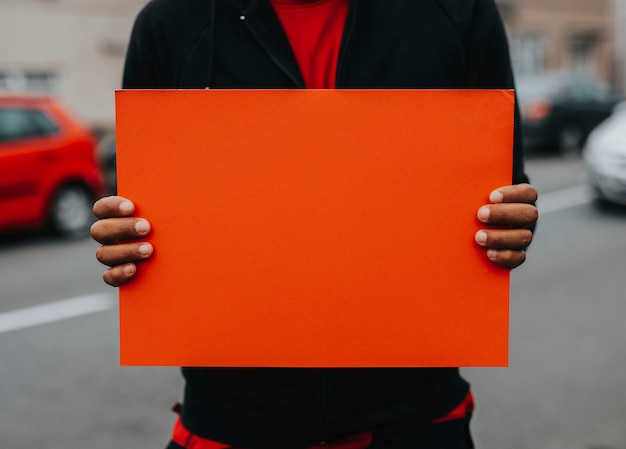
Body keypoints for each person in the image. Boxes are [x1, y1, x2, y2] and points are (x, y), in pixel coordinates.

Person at [91, 0, 539, 448]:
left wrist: (510, 227)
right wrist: (123, 239)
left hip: (417, 417)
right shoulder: (170, 21)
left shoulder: (458, 11)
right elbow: (135, 208)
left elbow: (506, 190)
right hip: (230, 421)